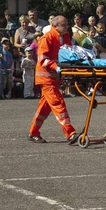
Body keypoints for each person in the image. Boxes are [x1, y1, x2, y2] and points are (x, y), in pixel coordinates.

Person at [28, 15, 79, 144]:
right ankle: (70, 133)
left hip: (54, 78)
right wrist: (56, 67)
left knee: (44, 107)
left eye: (67, 24)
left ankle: (33, 132)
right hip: (46, 78)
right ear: (55, 26)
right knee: (58, 103)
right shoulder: (47, 38)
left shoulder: (65, 37)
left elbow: (68, 54)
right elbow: (43, 59)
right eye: (64, 25)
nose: (67, 27)